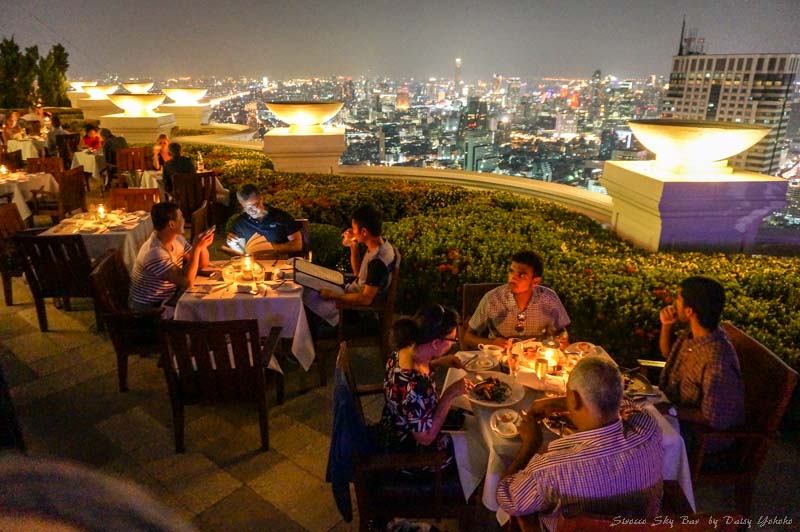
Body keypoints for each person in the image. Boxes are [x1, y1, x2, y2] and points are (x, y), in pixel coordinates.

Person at [497, 357, 663, 531]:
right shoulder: (648, 428)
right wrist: (562, 402)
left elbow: (507, 498)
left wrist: (530, 445)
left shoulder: (551, 469)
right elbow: (628, 402)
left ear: (574, 399)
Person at [380, 304, 469, 461]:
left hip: (397, 424)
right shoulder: (413, 387)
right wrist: (450, 393)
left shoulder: (405, 350)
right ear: (435, 343)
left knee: (469, 420)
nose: (454, 343)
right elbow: (426, 439)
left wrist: (438, 362)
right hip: (411, 452)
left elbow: (417, 381)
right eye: (452, 339)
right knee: (473, 445)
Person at [658, 276, 744, 432]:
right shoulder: (694, 334)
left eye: (678, 299)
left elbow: (713, 417)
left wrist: (670, 410)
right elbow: (667, 354)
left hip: (695, 435)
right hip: (672, 411)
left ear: (689, 311)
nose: (673, 303)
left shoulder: (716, 360)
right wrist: (666, 325)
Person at [463, 250, 570, 350]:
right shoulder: (492, 299)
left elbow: (561, 331)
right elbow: (467, 337)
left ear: (535, 282)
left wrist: (562, 340)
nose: (513, 278)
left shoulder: (549, 298)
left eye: (521, 275)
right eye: (511, 271)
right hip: (501, 358)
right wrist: (491, 343)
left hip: (535, 357)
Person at [129, 202, 213, 311]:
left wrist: (202, 246)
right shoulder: (155, 253)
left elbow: (203, 264)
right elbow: (187, 282)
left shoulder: (176, 238)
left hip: (169, 296)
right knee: (204, 307)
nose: (184, 220)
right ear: (171, 224)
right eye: (181, 217)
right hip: (150, 309)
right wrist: (196, 248)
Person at [320, 204, 396, 308]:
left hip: (353, 304)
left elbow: (365, 299)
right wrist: (353, 245)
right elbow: (358, 273)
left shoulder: (378, 261)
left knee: (311, 297)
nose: (352, 231)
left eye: (354, 228)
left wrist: (334, 295)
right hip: (349, 290)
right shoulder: (377, 245)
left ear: (364, 231)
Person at [226, 183, 303, 255]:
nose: (250, 211)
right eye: (246, 207)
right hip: (253, 265)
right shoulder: (241, 223)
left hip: (279, 263)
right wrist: (233, 244)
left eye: (253, 205)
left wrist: (272, 248)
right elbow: (240, 253)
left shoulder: (280, 217)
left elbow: (297, 245)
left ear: (261, 200)